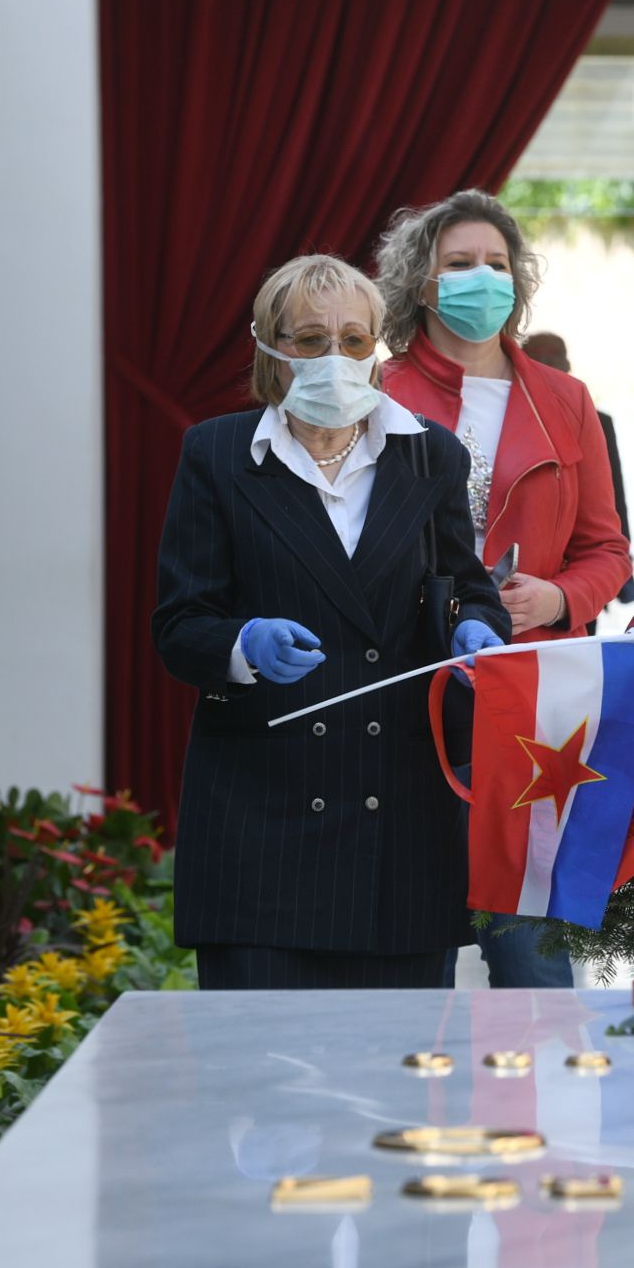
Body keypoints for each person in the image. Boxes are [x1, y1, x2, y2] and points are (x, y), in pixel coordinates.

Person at [151, 254, 509, 991]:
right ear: (271, 347)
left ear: (378, 347)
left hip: (400, 822)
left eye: (353, 339)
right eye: (311, 340)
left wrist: (477, 627)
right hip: (261, 823)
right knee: (257, 1059)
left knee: (401, 1061)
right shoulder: (217, 453)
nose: (335, 357)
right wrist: (242, 644)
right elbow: (180, 626)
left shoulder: (431, 455)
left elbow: (472, 590)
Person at [373, 190, 632, 989]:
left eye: (496, 263)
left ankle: (541, 1080)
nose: (481, 278)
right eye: (459, 264)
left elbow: (608, 549)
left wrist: (558, 598)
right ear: (421, 282)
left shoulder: (566, 398)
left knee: (533, 963)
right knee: (404, 954)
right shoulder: (375, 391)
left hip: (532, 701)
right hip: (409, 692)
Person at [523, 330, 634, 606]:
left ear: (568, 365)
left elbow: (613, 496)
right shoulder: (513, 417)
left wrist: (623, 561)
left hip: (580, 572)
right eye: (542, 359)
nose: (551, 366)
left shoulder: (594, 418)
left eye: (556, 359)